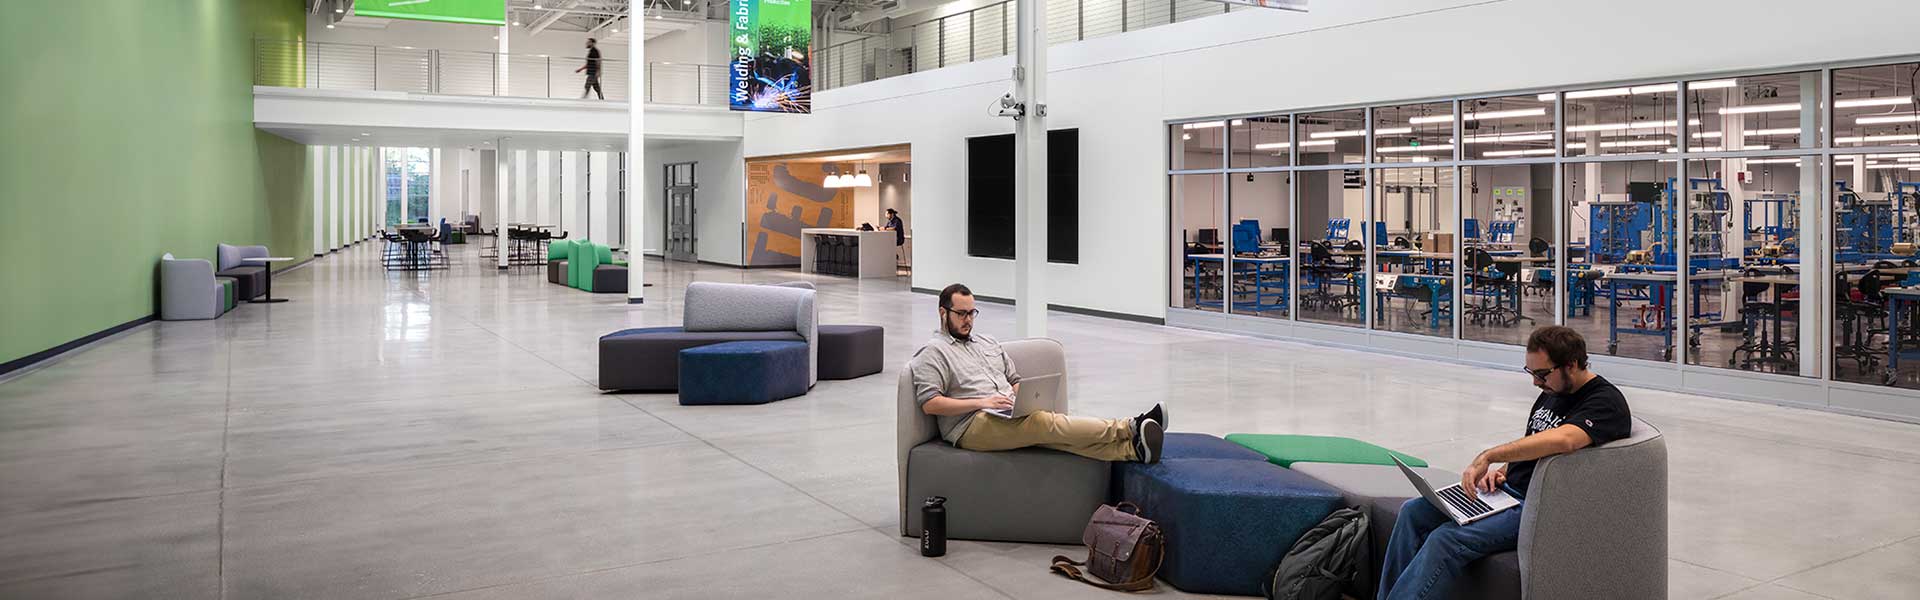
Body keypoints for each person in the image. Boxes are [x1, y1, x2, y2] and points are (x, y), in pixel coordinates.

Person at [1376, 325, 1632, 600]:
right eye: (1531, 372)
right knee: (1412, 512)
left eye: (1542, 374)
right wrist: (1504, 470)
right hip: (1505, 492)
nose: (1535, 382)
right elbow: (1536, 443)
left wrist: (1490, 456)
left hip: (1538, 506)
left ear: (1571, 365)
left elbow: (1565, 440)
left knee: (1445, 539)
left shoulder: (1605, 403)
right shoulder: (1554, 389)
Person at [909, 283, 1166, 463]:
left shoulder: (987, 342)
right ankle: (1128, 427)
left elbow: (1014, 379)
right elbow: (931, 404)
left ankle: (1132, 450)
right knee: (1042, 423)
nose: (968, 320)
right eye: (961, 314)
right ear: (943, 313)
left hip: (1004, 412)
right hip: (970, 427)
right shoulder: (933, 352)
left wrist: (1019, 400)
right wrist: (983, 402)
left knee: (1049, 432)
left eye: (972, 313)